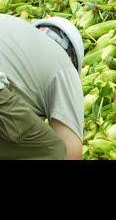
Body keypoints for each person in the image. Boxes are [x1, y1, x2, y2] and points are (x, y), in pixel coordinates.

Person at [0, 14, 85, 159]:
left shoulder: (16, 32)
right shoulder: (65, 67)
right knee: (56, 151)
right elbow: (72, 153)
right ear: (73, 58)